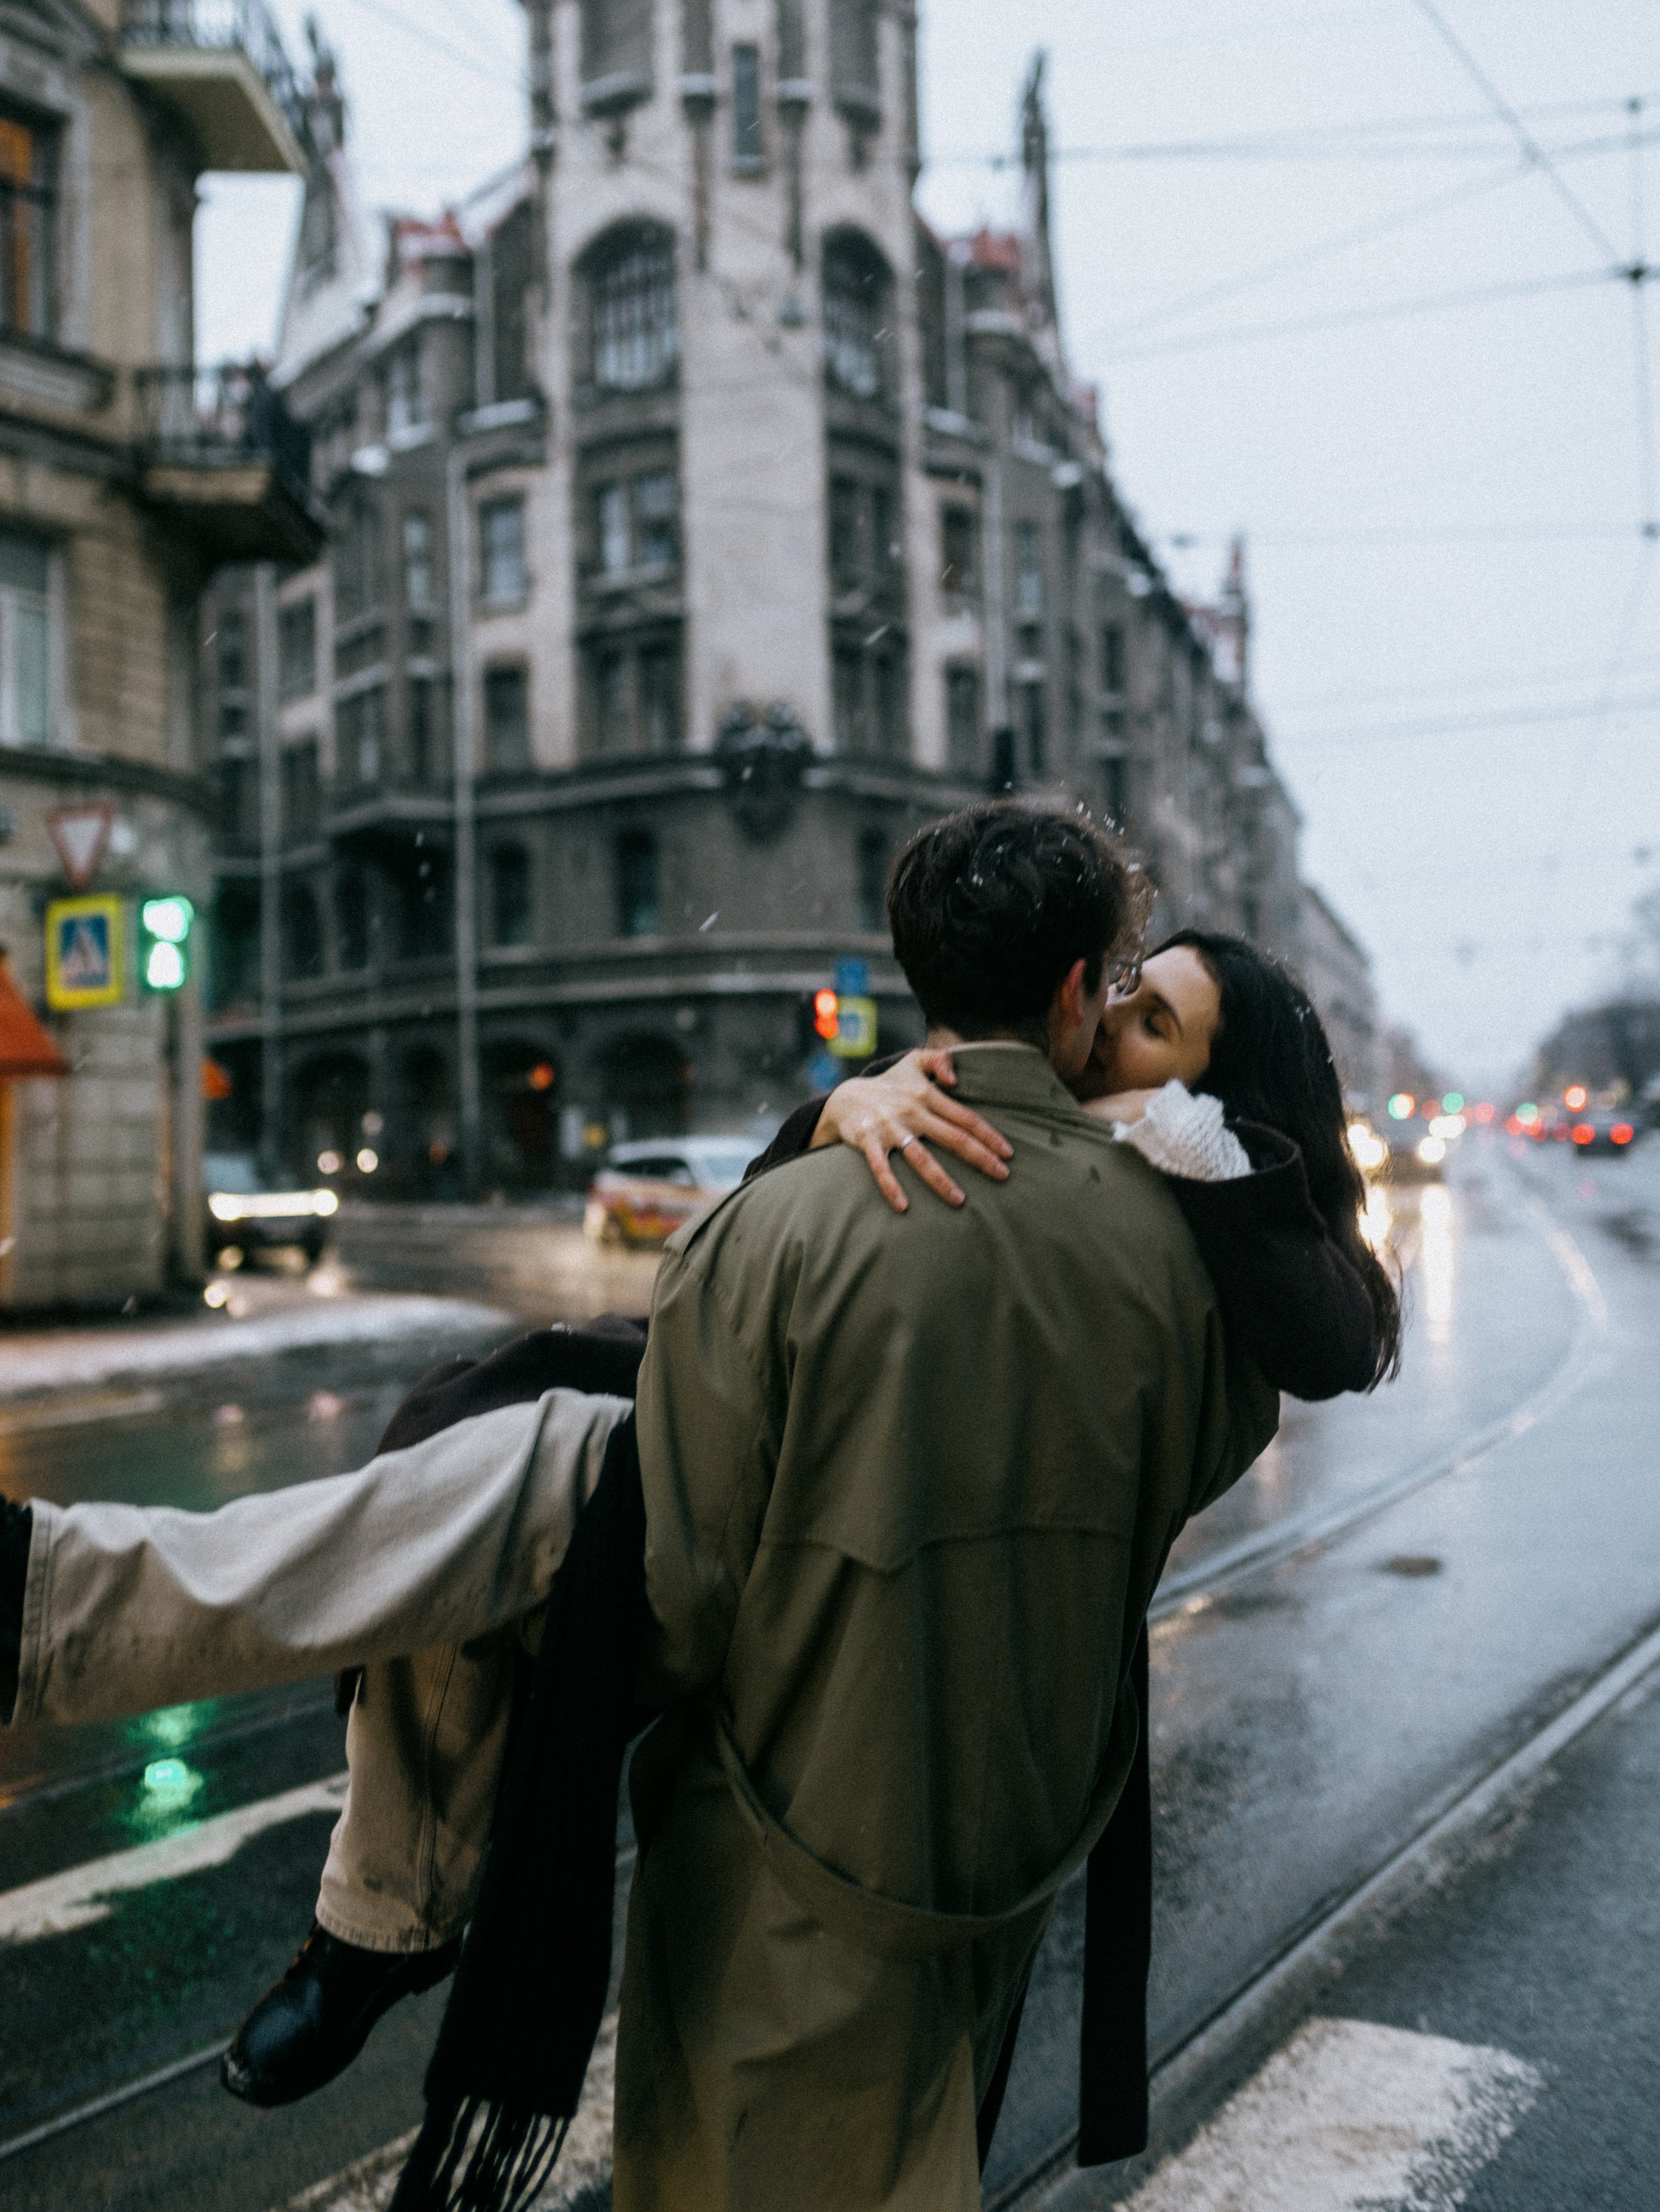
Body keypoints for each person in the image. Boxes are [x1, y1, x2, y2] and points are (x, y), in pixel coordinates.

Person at [0, 812, 1396, 2203]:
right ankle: (302, 1839)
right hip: (1018, 1815)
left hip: (796, 1836)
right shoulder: (1178, 1280)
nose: (1121, 1031)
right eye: (1126, 995)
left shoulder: (933, 1208)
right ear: (1074, 989)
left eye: (1158, 1024)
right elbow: (1200, 1436)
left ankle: (318, 1853)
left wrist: (590, 1628)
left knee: (495, 1498)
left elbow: (685, 1597)